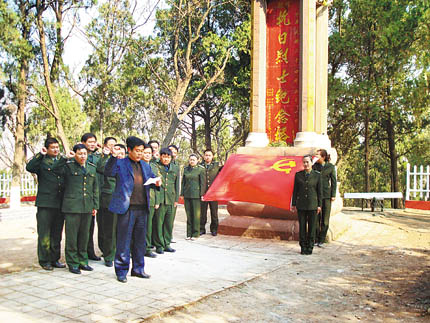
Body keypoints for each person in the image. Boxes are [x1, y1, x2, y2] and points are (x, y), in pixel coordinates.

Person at [104, 137, 160, 283]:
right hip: (127, 209)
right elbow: (108, 172)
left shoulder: (145, 165)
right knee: (124, 241)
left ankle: (138, 269)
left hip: (142, 208)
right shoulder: (120, 163)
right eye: (137, 151)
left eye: (142, 151)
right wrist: (112, 157)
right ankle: (121, 271)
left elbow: (152, 180)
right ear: (129, 150)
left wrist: (157, 182)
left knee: (140, 241)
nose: (140, 154)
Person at [26, 137, 65, 271]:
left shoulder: (62, 160)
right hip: (45, 203)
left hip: (59, 203)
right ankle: (44, 260)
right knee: (44, 233)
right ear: (47, 149)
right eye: (52, 147)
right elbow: (29, 167)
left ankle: (55, 259)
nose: (55, 150)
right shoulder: (42, 161)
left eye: (57, 147)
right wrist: (40, 155)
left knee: (56, 233)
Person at [61, 144, 99, 274]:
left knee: (84, 236)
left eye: (84, 154)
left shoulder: (92, 168)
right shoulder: (67, 167)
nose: (83, 156)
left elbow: (95, 188)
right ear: (74, 154)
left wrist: (95, 206)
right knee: (72, 237)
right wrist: (66, 158)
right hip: (72, 207)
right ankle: (73, 263)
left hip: (87, 206)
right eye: (80, 153)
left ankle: (83, 261)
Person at [97, 143, 126, 267]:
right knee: (110, 230)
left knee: (122, 230)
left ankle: (120, 254)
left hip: (125, 201)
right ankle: (108, 256)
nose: (120, 156)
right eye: (118, 153)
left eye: (122, 154)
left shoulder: (128, 166)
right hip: (110, 200)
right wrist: (113, 156)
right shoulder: (109, 164)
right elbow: (104, 170)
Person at [291, 155, 322, 255]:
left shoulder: (317, 175)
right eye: (304, 162)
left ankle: (310, 247)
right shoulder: (298, 175)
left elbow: (319, 192)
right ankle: (303, 247)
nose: (305, 164)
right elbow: (295, 191)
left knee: (312, 227)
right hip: (302, 205)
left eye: (307, 162)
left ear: (312, 163)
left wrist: (319, 205)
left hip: (313, 205)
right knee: (302, 227)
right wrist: (294, 203)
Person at [153, 148, 179, 254]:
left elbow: (177, 184)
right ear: (160, 156)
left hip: (171, 199)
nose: (166, 159)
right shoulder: (156, 166)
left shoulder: (176, 168)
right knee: (158, 223)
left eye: (168, 157)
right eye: (164, 156)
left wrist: (176, 199)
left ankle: (167, 243)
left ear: (171, 157)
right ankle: (159, 245)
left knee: (169, 223)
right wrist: (156, 200)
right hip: (160, 199)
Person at [81, 133, 102, 261]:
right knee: (81, 229)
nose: (93, 144)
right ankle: (80, 253)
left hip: (93, 196)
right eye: (90, 142)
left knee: (90, 227)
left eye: (94, 142)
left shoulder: (97, 157)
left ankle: (90, 251)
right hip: (80, 197)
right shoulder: (78, 155)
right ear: (83, 142)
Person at [312, 149, 337, 247]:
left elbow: (333, 181)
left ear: (323, 157)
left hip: (326, 195)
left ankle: (322, 240)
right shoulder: (314, 166)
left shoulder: (330, 167)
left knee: (325, 219)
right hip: (316, 195)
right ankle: (316, 238)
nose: (316, 156)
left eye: (317, 155)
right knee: (316, 218)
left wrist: (333, 195)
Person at [181, 154, 205, 240]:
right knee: (189, 214)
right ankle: (189, 233)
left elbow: (203, 183)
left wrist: (202, 194)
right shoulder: (186, 169)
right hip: (187, 194)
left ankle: (195, 234)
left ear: (197, 160)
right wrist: (182, 193)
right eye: (190, 159)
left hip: (196, 195)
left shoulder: (201, 169)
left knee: (196, 215)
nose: (192, 161)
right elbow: (183, 182)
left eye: (193, 160)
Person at [142, 144, 159, 258]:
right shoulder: (137, 165)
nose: (147, 155)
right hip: (138, 199)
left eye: (149, 153)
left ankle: (147, 248)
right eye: (145, 153)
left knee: (148, 225)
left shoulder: (153, 166)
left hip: (150, 199)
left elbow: (156, 183)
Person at [200, 149, 222, 236]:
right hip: (204, 193)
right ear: (203, 156)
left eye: (209, 155)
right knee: (202, 213)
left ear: (212, 156)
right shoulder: (200, 166)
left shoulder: (216, 165)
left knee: (214, 213)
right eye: (206, 155)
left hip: (213, 193)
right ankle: (202, 229)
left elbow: (224, 170)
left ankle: (214, 229)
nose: (207, 157)